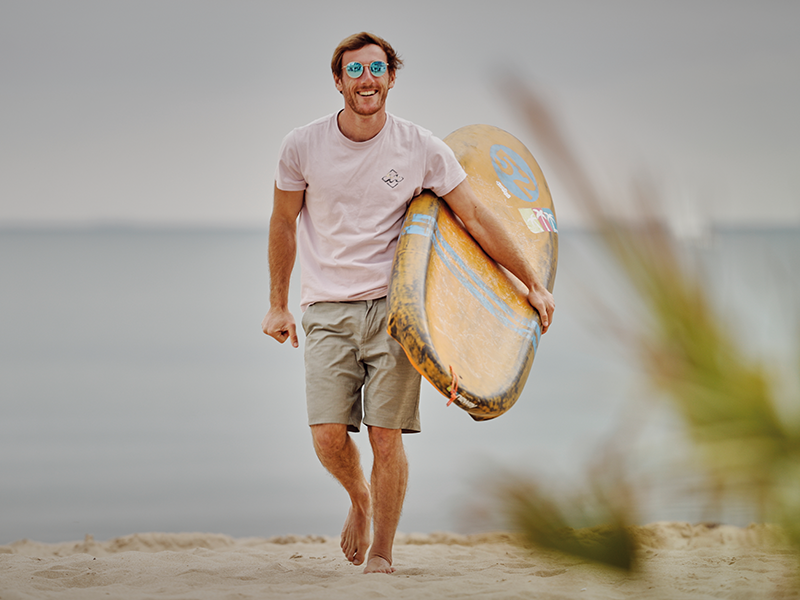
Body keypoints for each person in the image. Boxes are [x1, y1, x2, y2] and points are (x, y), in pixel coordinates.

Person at [261, 32, 555, 575]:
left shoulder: (421, 148)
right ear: (338, 80)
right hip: (326, 308)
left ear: (392, 77)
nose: (366, 79)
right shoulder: (301, 146)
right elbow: (283, 222)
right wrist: (277, 303)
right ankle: (360, 498)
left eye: (377, 69)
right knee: (327, 436)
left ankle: (382, 553)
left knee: (385, 435)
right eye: (355, 71)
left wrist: (530, 281)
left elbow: (475, 218)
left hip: (398, 312)